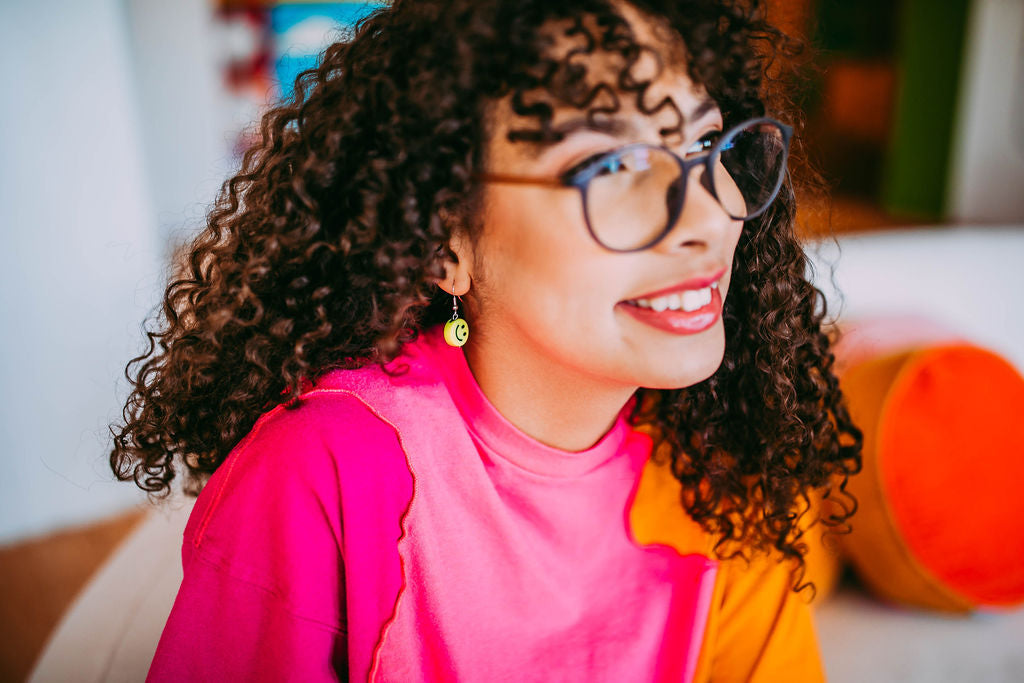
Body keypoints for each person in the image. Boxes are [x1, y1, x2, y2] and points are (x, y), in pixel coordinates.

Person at [110, 0, 862, 680]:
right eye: (614, 165)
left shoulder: (730, 464)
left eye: (706, 146)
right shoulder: (324, 474)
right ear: (446, 243)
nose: (706, 218)